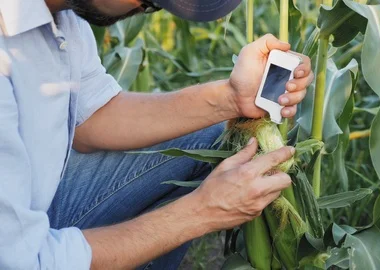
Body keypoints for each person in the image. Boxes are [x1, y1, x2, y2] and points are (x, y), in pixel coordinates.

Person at [0, 0, 314, 269]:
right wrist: (201, 212)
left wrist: (231, 98)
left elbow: (91, 116)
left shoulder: (62, 14)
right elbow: (25, 262)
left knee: (212, 138)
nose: (141, 9)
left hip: (30, 210)